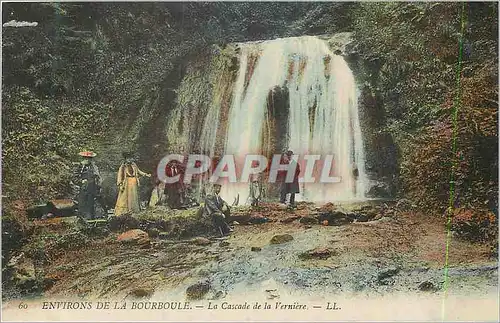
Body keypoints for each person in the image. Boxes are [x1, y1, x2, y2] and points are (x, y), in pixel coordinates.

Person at [73, 151, 103, 220]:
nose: (88, 160)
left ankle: (91, 220)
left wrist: (98, 185)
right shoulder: (80, 166)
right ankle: (81, 220)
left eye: (90, 158)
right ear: (83, 158)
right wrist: (81, 181)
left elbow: (98, 176)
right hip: (84, 188)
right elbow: (74, 178)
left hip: (92, 188)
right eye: (86, 158)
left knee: (91, 204)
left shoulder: (93, 167)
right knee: (82, 204)